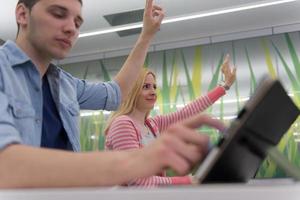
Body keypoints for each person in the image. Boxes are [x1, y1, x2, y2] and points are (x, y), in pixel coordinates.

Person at [0, 0, 227, 188]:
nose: (71, 28)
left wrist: (146, 35)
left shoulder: (65, 84)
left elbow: (115, 93)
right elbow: (5, 164)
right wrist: (138, 161)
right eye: (58, 14)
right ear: (22, 14)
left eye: (78, 22)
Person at [105, 57, 236, 187]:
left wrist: (225, 86)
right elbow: (137, 181)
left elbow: (187, 113)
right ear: (132, 91)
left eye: (154, 87)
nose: (153, 92)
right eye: (146, 87)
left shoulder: (152, 125)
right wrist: (186, 181)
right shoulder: (122, 124)